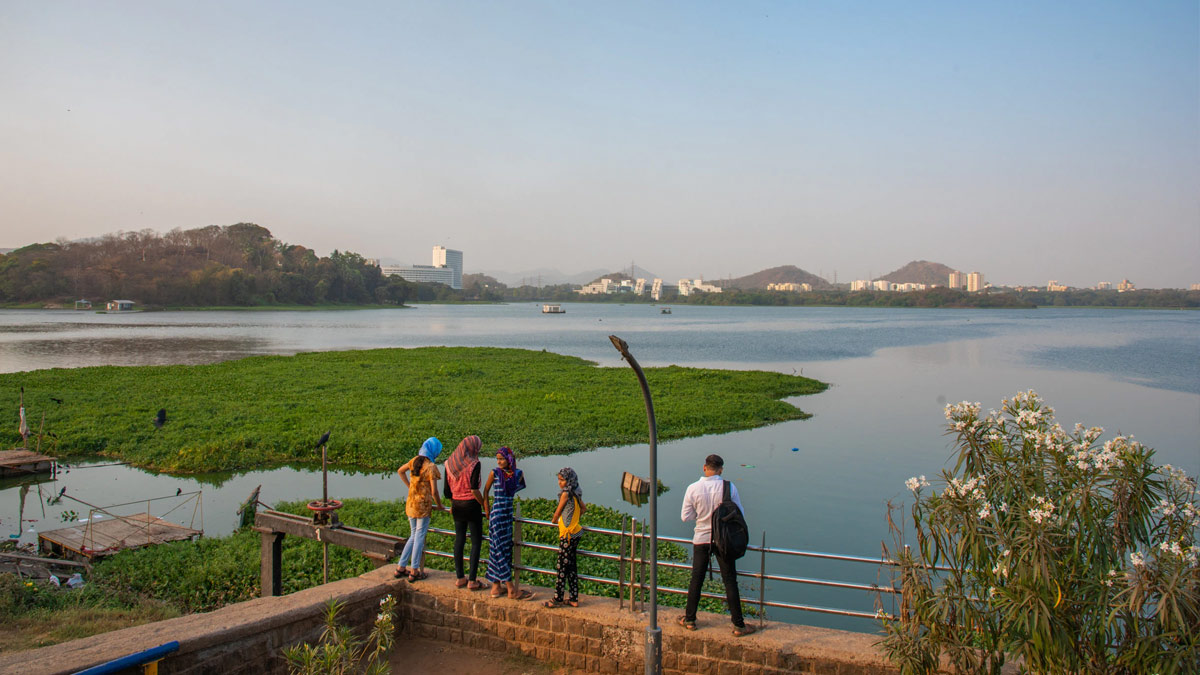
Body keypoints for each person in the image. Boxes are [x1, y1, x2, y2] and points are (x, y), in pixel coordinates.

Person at [679, 454, 755, 636]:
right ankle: (738, 625)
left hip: (702, 539)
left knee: (696, 580)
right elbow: (739, 513)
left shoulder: (693, 488)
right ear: (721, 469)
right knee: (730, 581)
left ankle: (690, 620)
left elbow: (685, 516)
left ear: (704, 468)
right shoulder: (729, 487)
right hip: (724, 541)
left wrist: (702, 516)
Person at [483, 446, 533, 600]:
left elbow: (518, 485)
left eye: (502, 459)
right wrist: (487, 509)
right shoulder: (495, 473)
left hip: (507, 515)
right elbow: (485, 490)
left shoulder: (516, 474)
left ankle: (496, 586)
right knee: (498, 550)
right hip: (497, 515)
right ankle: (511, 589)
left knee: (502, 550)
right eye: (498, 459)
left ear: (509, 459)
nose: (499, 462)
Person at [394, 444, 442, 582]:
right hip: (422, 506)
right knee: (419, 535)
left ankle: (401, 567)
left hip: (411, 503)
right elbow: (434, 491)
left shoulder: (414, 461)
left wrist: (410, 487)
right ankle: (415, 570)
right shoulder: (431, 467)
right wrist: (439, 505)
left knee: (413, 534)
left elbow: (400, 471)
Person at [445, 435, 486, 590]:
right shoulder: (474, 464)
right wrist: (484, 504)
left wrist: (453, 503)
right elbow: (474, 489)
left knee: (459, 539)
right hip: (471, 505)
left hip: (456, 505)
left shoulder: (450, 463)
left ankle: (460, 577)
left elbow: (447, 491)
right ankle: (472, 580)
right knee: (476, 542)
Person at [545, 467, 585, 608]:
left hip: (567, 535)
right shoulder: (576, 491)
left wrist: (556, 520)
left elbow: (557, 513)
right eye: (559, 480)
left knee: (562, 567)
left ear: (569, 480)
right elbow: (583, 509)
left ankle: (558, 598)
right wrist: (574, 519)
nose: (559, 483)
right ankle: (573, 598)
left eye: (562, 480)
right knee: (571, 567)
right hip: (576, 532)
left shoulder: (565, 494)